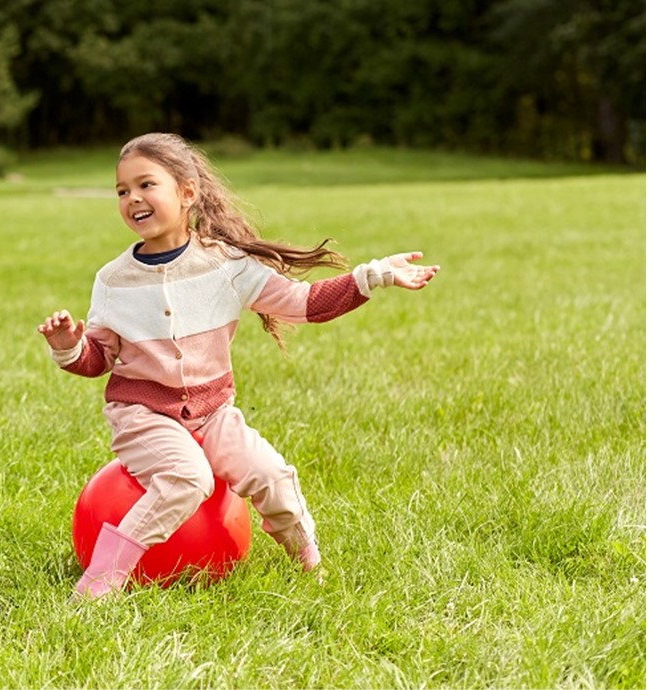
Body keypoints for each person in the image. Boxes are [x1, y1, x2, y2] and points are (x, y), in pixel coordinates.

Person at [38, 132, 439, 599]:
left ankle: (309, 562)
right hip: (142, 417)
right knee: (188, 479)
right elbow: (98, 359)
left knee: (272, 475)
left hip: (213, 413)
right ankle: (101, 580)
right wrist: (69, 346)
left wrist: (376, 275)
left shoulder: (227, 265)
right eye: (123, 191)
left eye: (147, 184)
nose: (133, 199)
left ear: (188, 192)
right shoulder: (113, 280)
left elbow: (305, 303)